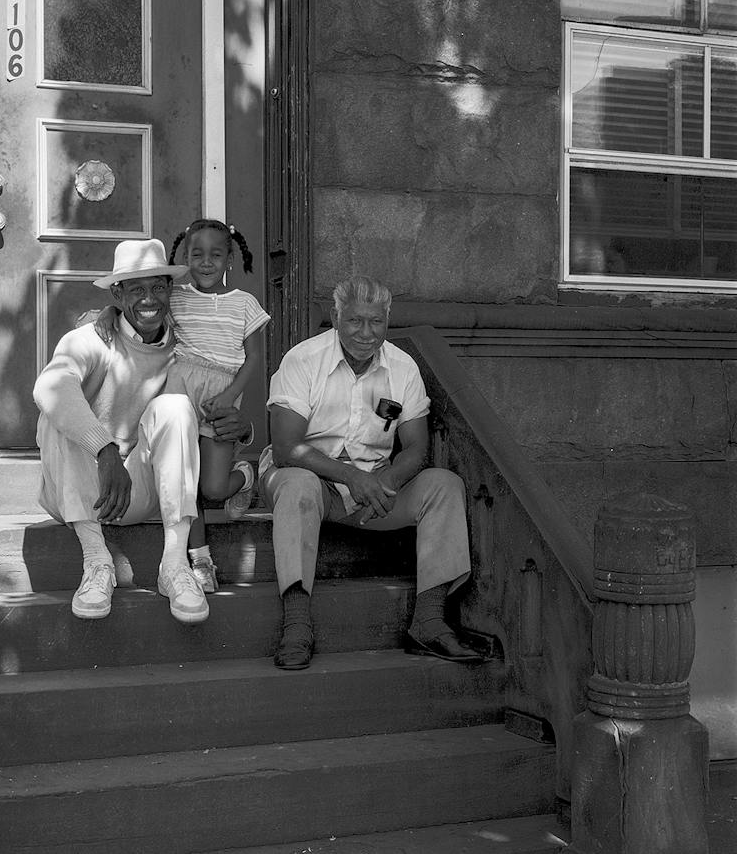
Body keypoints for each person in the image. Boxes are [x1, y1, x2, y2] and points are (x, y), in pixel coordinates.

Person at [259, 274, 480, 670]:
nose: (365, 332)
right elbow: (287, 447)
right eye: (355, 321)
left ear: (387, 320)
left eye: (375, 322)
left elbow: (416, 447)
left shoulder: (403, 368)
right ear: (336, 316)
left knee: (444, 485)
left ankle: (429, 620)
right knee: (297, 485)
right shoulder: (303, 359)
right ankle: (296, 624)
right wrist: (351, 478)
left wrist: (386, 482)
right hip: (310, 478)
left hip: (373, 486)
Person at [32, 238, 248, 625]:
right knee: (57, 410)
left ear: (170, 291)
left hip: (140, 492)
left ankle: (174, 565)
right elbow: (50, 388)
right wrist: (105, 450)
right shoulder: (88, 340)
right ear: (117, 294)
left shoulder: (185, 345)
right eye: (135, 289)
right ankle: (97, 562)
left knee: (176, 405)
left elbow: (217, 383)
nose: (149, 299)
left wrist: (243, 431)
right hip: (80, 491)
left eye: (157, 287)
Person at [164, 218, 270, 592]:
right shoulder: (175, 296)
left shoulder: (244, 304)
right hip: (180, 387)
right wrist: (109, 315)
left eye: (216, 254)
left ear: (229, 260)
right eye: (197, 254)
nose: (206, 262)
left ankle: (245, 476)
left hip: (222, 394)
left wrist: (230, 396)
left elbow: (254, 359)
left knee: (212, 488)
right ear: (186, 257)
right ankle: (200, 558)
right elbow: (142, 316)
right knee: (184, 479)